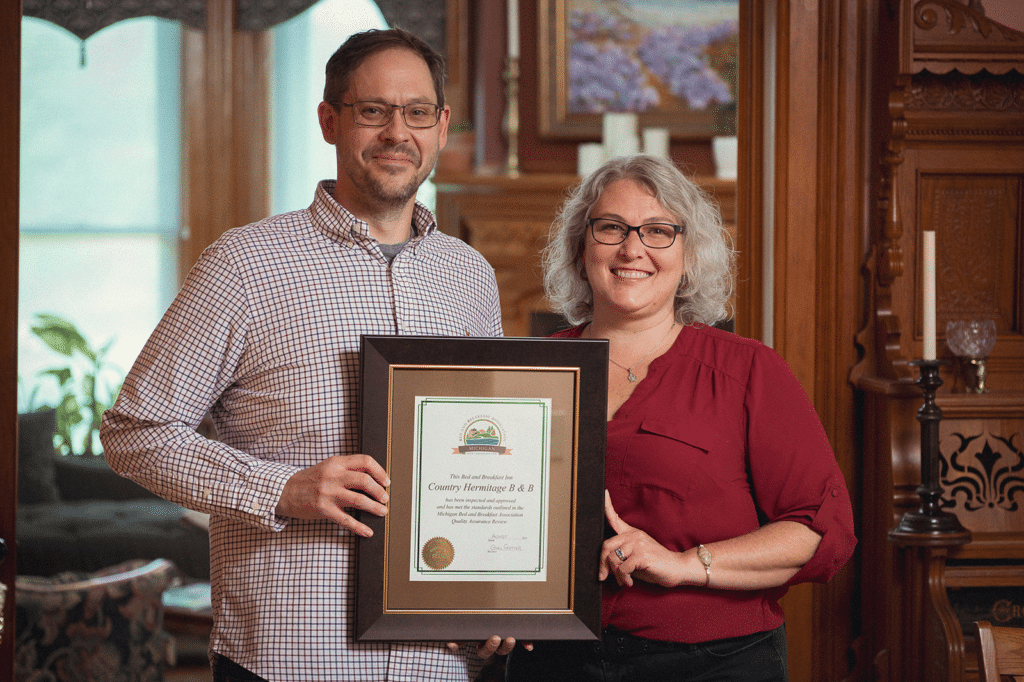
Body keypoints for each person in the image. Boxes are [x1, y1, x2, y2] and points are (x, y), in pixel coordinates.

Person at [101, 28, 514, 682]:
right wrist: (283, 487)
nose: (395, 133)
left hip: (434, 661)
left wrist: (499, 591)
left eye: (415, 114)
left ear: (439, 127)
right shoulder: (244, 264)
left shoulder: (470, 276)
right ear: (330, 121)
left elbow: (487, 461)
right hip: (294, 657)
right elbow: (134, 433)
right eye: (372, 111)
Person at [504, 155, 857, 681]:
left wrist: (686, 563)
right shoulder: (525, 371)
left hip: (715, 662)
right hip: (553, 660)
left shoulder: (749, 371)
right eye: (610, 228)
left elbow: (818, 529)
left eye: (658, 231)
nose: (632, 248)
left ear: (689, 256)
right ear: (582, 248)